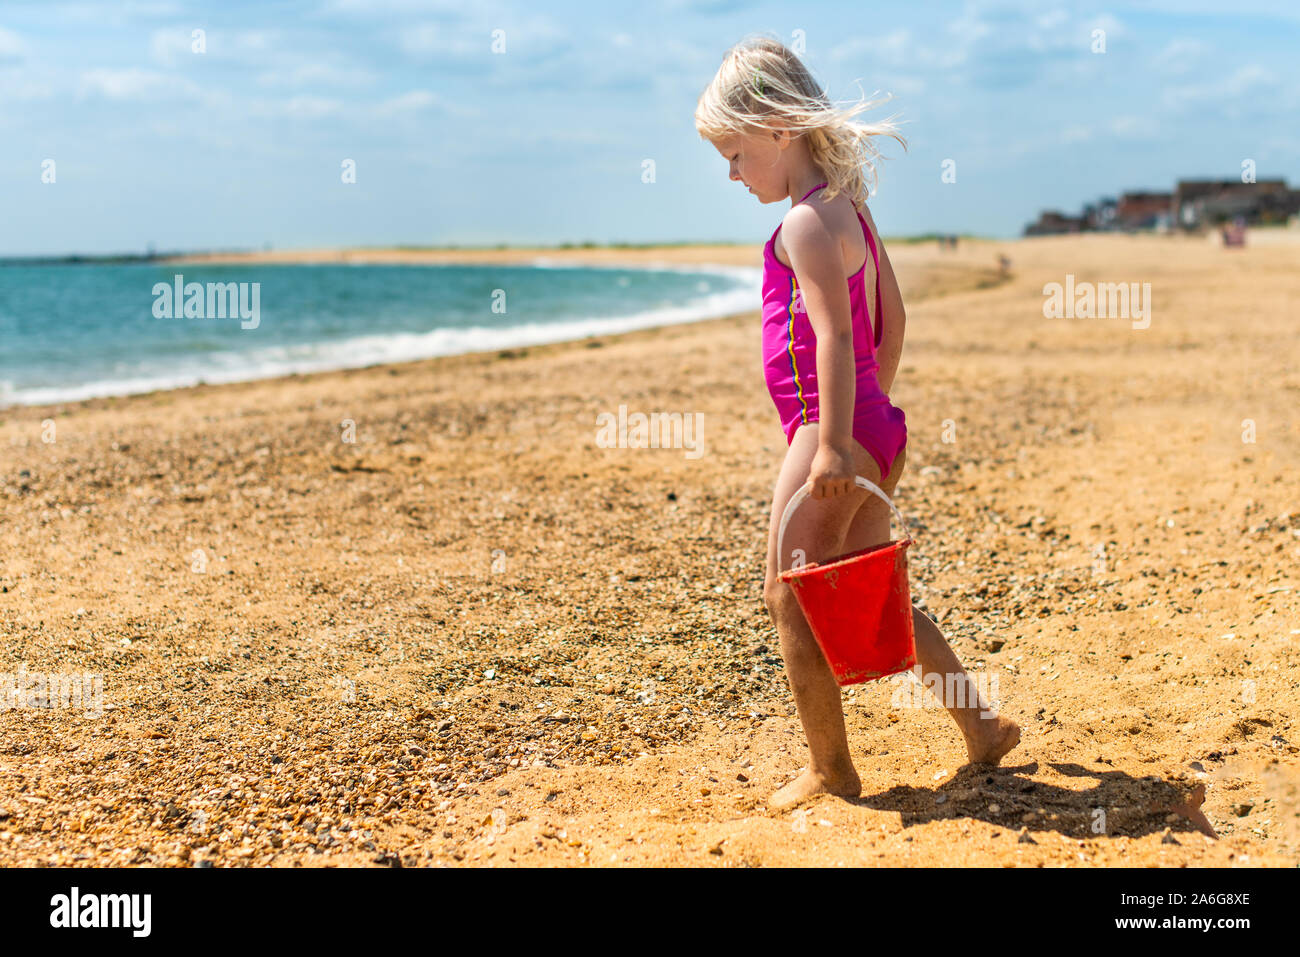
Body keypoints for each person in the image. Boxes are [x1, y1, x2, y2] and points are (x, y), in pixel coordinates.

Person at [695, 35, 1020, 809]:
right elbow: (892, 320)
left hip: (825, 428)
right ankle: (981, 726)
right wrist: (873, 420)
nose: (732, 174)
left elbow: (837, 335)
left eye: (735, 154)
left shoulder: (805, 224)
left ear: (778, 127)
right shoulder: (851, 211)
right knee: (874, 589)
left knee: (790, 592)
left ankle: (832, 769)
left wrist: (836, 440)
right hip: (871, 426)